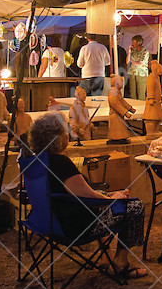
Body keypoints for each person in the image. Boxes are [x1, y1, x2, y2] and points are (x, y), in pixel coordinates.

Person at [25, 112, 147, 280]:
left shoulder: (34, 162)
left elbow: (77, 194)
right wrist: (112, 199)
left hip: (45, 221)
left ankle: (106, 257)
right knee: (135, 207)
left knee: (105, 197)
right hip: (73, 227)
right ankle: (121, 263)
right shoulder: (61, 163)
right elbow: (89, 197)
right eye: (64, 131)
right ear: (57, 139)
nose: (67, 135)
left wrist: (107, 195)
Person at [126, 35, 149, 101]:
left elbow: (140, 63)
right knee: (132, 92)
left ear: (138, 43)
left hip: (141, 73)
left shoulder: (145, 52)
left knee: (141, 92)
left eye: (133, 42)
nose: (132, 44)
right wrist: (129, 52)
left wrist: (132, 61)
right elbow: (127, 61)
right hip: (132, 72)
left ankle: (141, 105)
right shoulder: (134, 51)